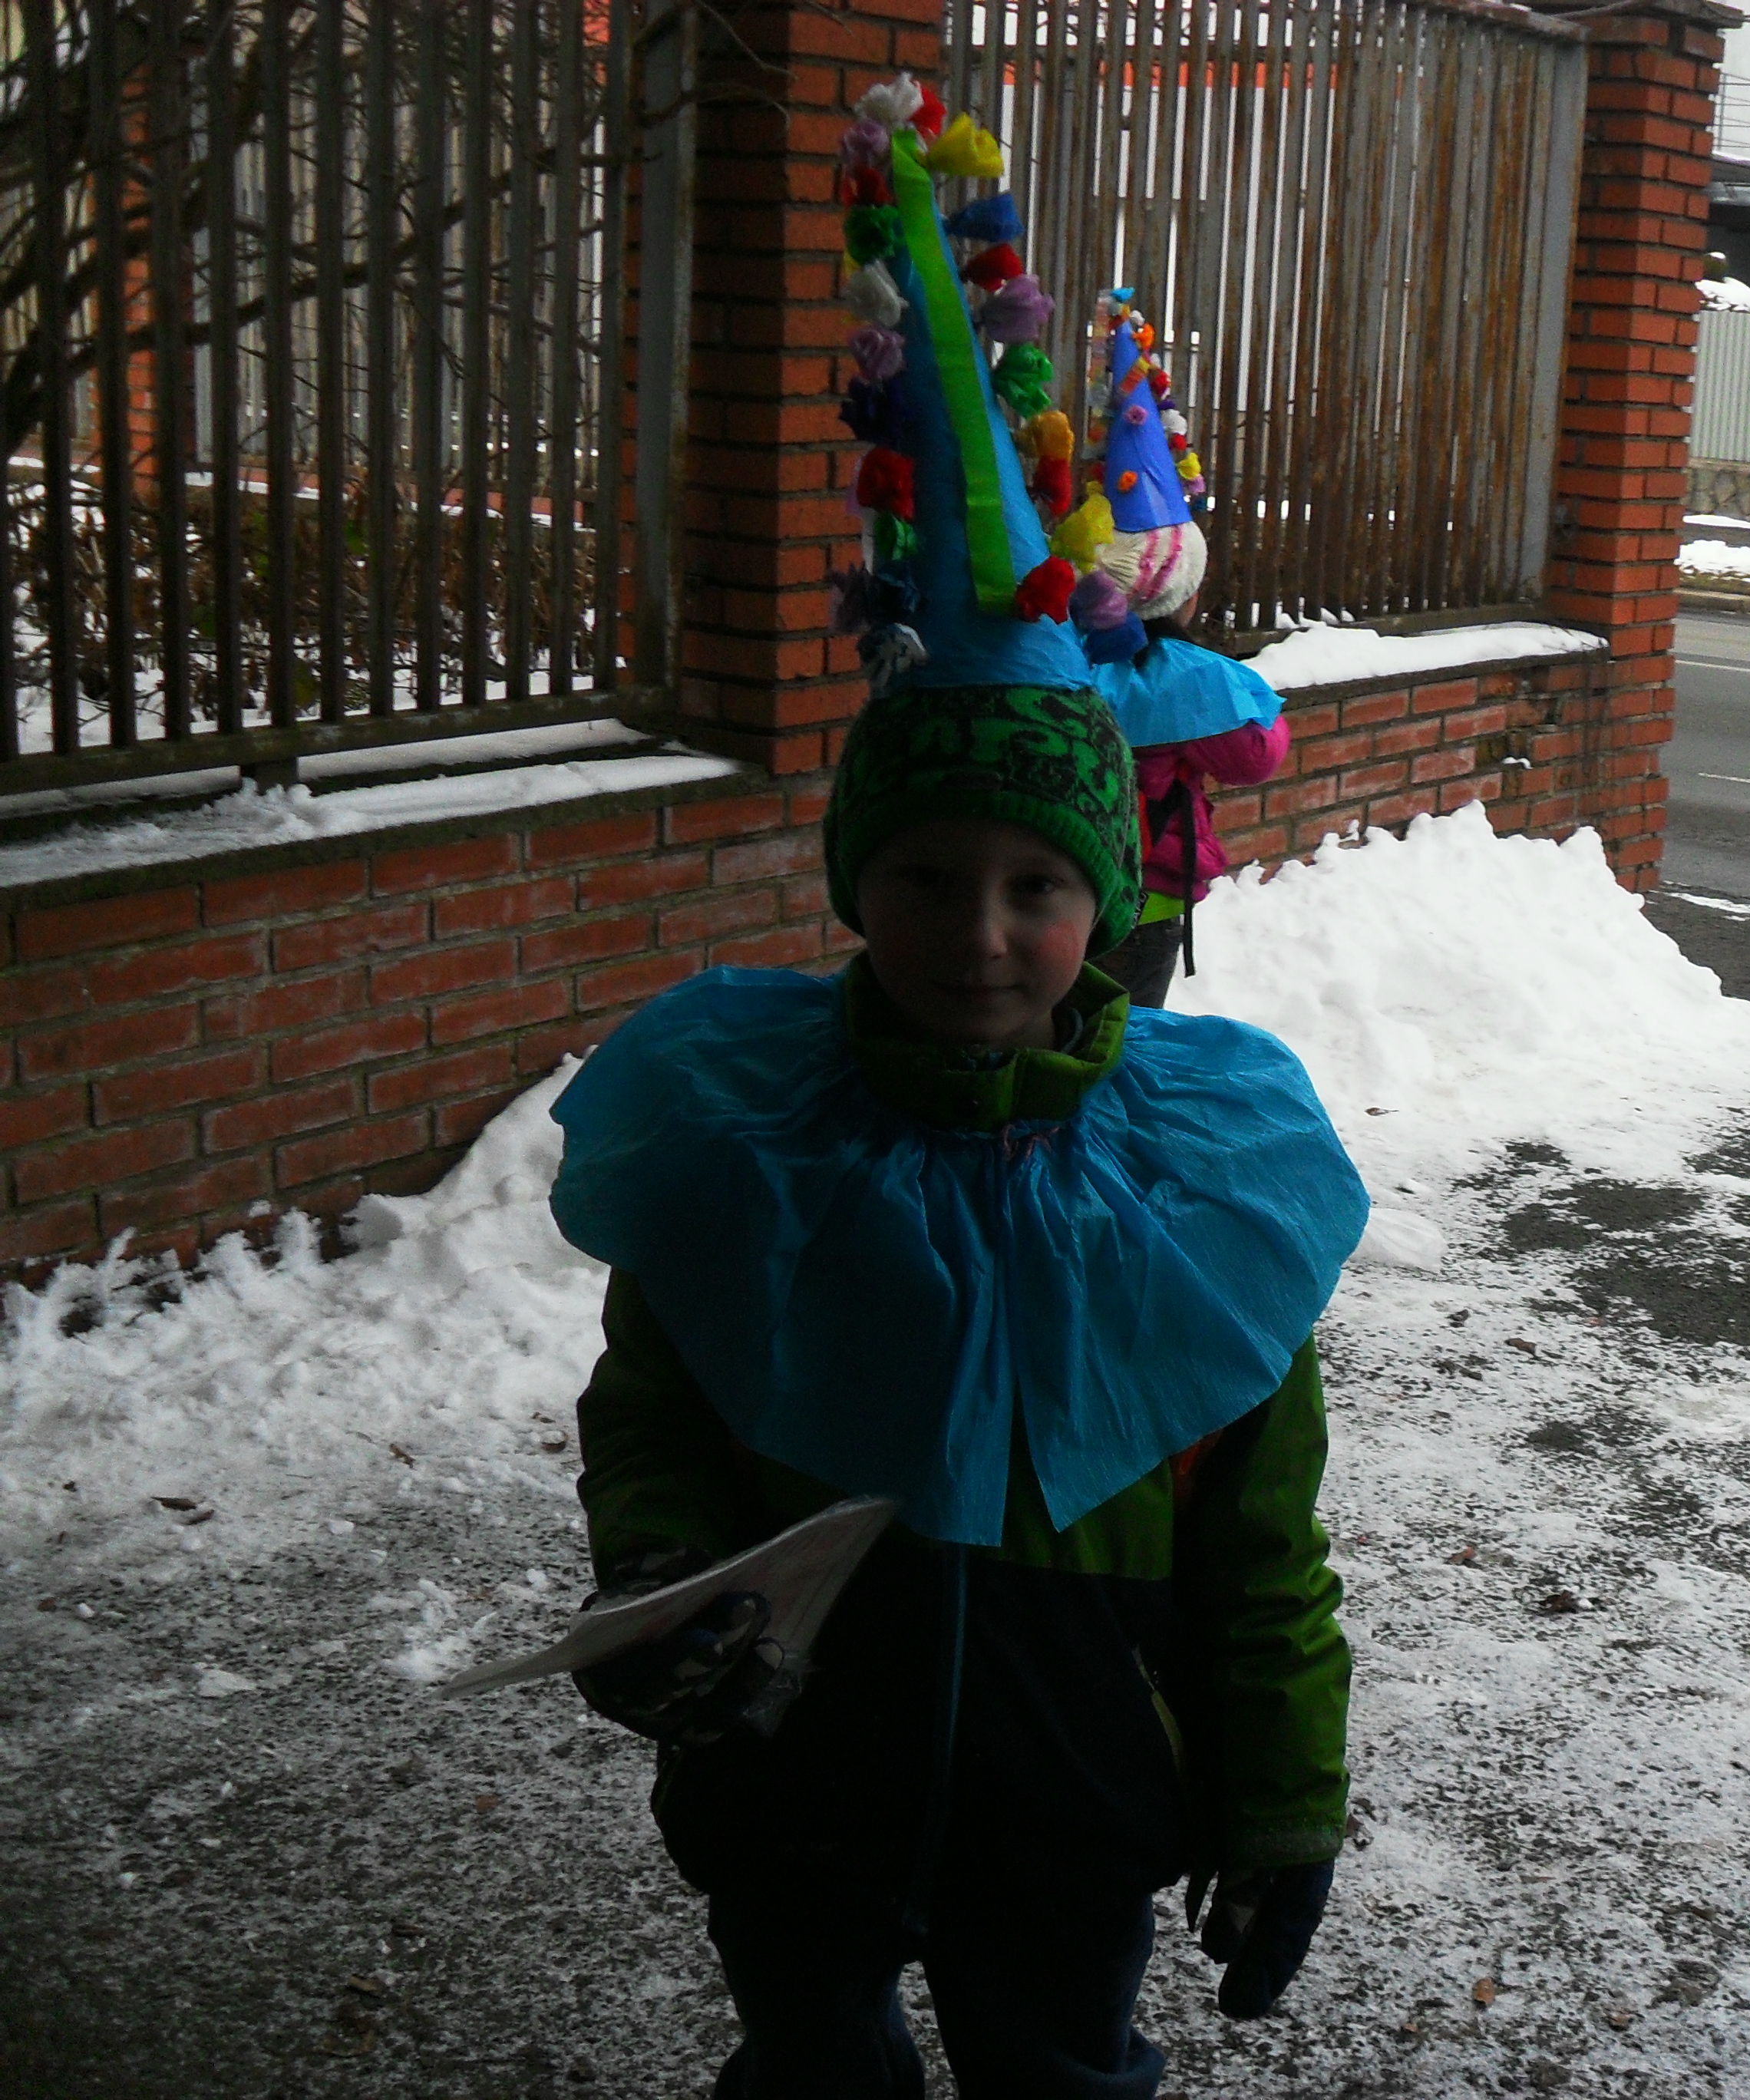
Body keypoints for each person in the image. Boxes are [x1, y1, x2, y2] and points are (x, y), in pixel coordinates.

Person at [547, 75, 1372, 2100]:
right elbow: (658, 1400)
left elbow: (1263, 1541)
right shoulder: (753, 1145)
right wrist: (658, 1571)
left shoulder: (1195, 1191)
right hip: (795, 1784)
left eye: (1035, 888)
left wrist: (1282, 1798)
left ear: (1110, 904)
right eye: (925, 879)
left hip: (1072, 1801)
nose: (980, 933)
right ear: (859, 883)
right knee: (813, 2065)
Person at [1058, 289, 1292, 1007]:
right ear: (1181, 588)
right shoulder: (1190, 679)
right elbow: (1257, 754)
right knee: (1128, 1034)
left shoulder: (1056, 656)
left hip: (1054, 889)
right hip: (1148, 898)